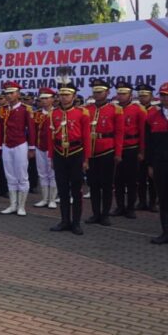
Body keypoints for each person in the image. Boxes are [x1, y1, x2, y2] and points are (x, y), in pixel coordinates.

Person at [141, 82, 168, 246]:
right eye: (163, 94)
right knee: (164, 199)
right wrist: (150, 165)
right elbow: (149, 144)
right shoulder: (152, 117)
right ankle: (166, 232)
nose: (165, 97)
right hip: (160, 165)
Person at [49, 82, 92, 235]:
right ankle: (64, 220)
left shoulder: (82, 113)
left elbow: (87, 137)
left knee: (76, 189)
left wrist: (86, 158)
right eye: (61, 95)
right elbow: (51, 137)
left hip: (76, 152)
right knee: (62, 189)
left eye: (67, 95)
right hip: (59, 152)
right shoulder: (54, 113)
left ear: (74, 96)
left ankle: (76, 222)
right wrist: (51, 157)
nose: (64, 97)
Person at [84, 79, 123, 226]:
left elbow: (119, 133)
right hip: (91, 151)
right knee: (93, 184)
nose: (97, 94)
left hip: (107, 149)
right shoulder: (86, 109)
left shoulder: (115, 110)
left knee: (106, 184)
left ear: (107, 92)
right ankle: (95, 213)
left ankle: (105, 214)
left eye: (100, 92)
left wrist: (118, 153)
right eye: (95, 92)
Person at [0, 81, 36, 217]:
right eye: (6, 93)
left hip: (20, 144)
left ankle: (21, 206)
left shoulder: (26, 109)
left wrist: (31, 147)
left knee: (22, 176)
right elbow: (0, 129)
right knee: (10, 176)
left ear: (18, 94)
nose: (8, 96)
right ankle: (13, 204)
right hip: (6, 145)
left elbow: (31, 129)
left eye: (11, 93)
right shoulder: (3, 109)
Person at [113, 82, 146, 219]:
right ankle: (120, 206)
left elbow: (143, 133)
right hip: (116, 149)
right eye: (119, 93)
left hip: (132, 147)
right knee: (118, 180)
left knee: (132, 180)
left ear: (131, 95)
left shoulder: (138, 110)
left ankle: (131, 207)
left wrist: (142, 152)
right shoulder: (114, 109)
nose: (121, 96)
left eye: (124, 94)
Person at [32, 88, 58, 209]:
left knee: (52, 173)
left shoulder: (57, 113)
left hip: (53, 148)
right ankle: (44, 198)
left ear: (53, 99)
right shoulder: (36, 114)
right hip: (40, 146)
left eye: (47, 98)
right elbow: (33, 132)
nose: (44, 100)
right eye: (42, 98)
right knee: (42, 173)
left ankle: (52, 199)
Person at [135, 84, 158, 212]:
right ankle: (142, 201)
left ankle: (153, 202)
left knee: (152, 177)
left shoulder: (156, 111)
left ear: (151, 96)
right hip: (138, 147)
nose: (142, 98)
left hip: (152, 148)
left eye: (145, 96)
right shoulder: (136, 110)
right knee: (140, 177)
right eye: (140, 96)